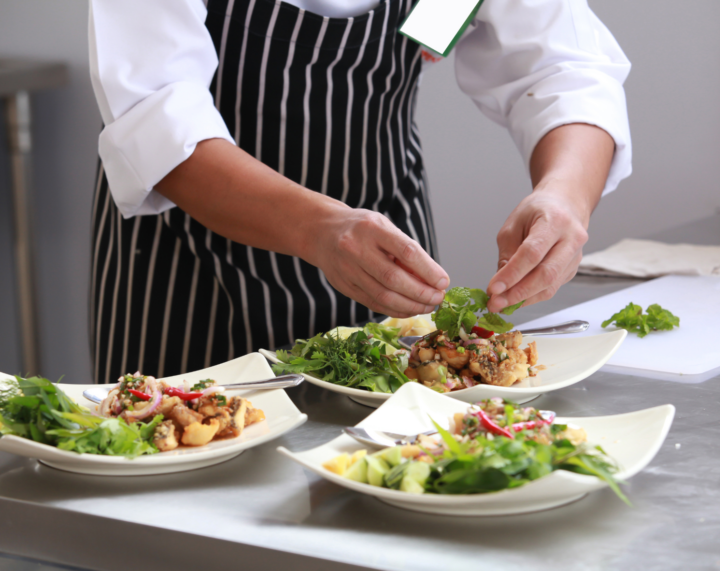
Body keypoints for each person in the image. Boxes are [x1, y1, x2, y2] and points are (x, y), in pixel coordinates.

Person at [88, 0, 631, 383]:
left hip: (389, 233)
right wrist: (319, 229)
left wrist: (564, 195)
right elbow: (155, 115)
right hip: (193, 265)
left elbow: (565, 65)